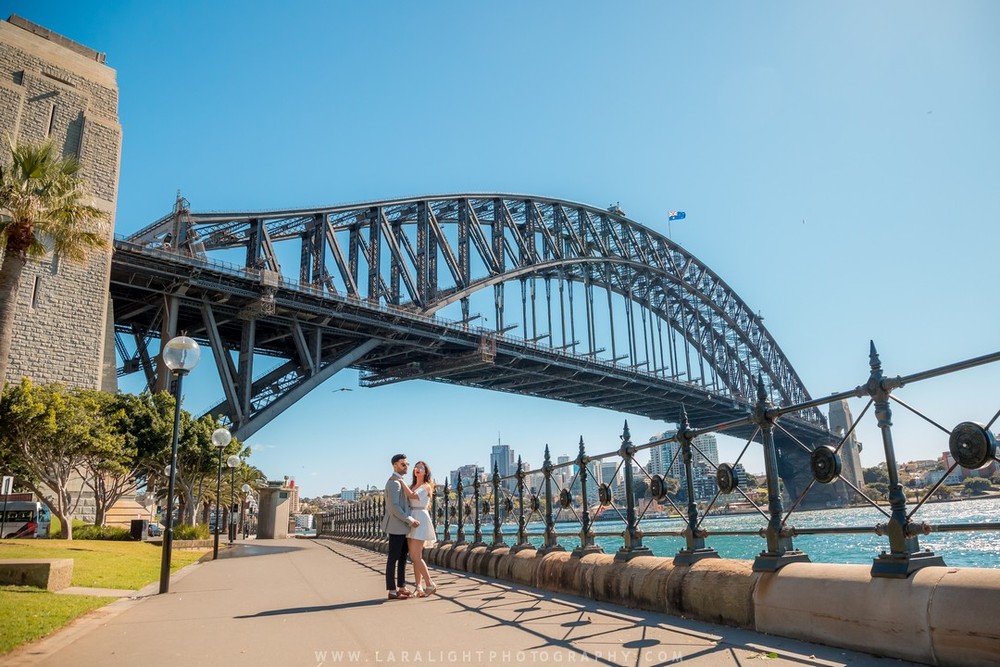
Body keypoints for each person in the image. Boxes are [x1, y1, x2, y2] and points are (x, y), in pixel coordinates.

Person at [381, 454, 419, 600]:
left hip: (403, 526)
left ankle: (401, 586)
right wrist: (409, 519)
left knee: (403, 557)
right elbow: (394, 507)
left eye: (407, 464)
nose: (406, 466)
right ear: (395, 465)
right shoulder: (393, 483)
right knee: (393, 557)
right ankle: (391, 590)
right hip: (397, 526)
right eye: (403, 464)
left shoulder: (400, 481)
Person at [403, 461, 438, 597]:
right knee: (415, 556)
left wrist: (400, 482)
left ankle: (430, 583)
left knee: (415, 555)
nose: (417, 469)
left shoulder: (426, 486)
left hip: (421, 518)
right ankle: (419, 587)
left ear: (425, 472)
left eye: (421, 467)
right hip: (411, 517)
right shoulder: (412, 485)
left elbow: (414, 496)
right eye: (416, 467)